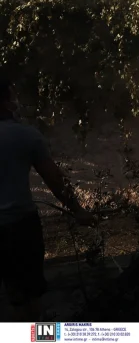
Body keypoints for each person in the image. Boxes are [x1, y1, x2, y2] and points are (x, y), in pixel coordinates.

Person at [0, 77, 98, 322]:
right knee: (29, 300)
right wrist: (77, 210)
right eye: (12, 96)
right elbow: (54, 179)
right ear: (5, 101)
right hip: (19, 228)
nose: (16, 102)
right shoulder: (25, 136)